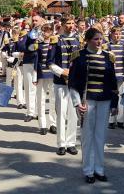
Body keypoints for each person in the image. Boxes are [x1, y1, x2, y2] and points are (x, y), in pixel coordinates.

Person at [69, 28, 119, 184]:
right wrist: (77, 103)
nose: (100, 42)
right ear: (88, 40)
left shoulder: (108, 57)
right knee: (87, 136)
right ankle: (88, 170)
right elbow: (72, 83)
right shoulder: (79, 57)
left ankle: (99, 169)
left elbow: (113, 83)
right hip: (87, 101)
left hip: (104, 100)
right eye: (96, 39)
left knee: (100, 136)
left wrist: (114, 103)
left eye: (101, 39)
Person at [50, 16, 80, 155]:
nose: (71, 25)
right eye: (68, 23)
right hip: (61, 82)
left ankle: (71, 142)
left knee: (73, 113)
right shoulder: (56, 40)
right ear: (62, 25)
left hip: (75, 82)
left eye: (73, 23)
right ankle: (61, 143)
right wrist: (62, 71)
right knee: (61, 112)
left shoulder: (78, 39)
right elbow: (49, 63)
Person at [17, 13, 45, 121]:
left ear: (42, 21)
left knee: (40, 90)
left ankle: (39, 112)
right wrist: (31, 46)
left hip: (41, 62)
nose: (34, 22)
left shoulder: (47, 32)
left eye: (36, 20)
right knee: (29, 87)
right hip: (29, 61)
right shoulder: (28, 33)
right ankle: (30, 112)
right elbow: (21, 46)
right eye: (33, 20)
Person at [34, 23, 57, 136]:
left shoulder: (55, 44)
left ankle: (53, 123)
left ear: (52, 32)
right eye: (44, 30)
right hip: (42, 74)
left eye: (48, 30)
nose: (46, 33)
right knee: (41, 99)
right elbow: (36, 61)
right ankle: (42, 124)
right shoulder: (39, 44)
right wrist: (35, 76)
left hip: (52, 74)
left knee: (53, 100)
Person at [105, 26, 124, 129]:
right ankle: (111, 120)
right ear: (111, 34)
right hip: (111, 76)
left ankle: (120, 120)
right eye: (115, 33)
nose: (117, 35)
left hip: (121, 75)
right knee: (112, 97)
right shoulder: (107, 46)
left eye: (119, 33)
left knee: (121, 97)